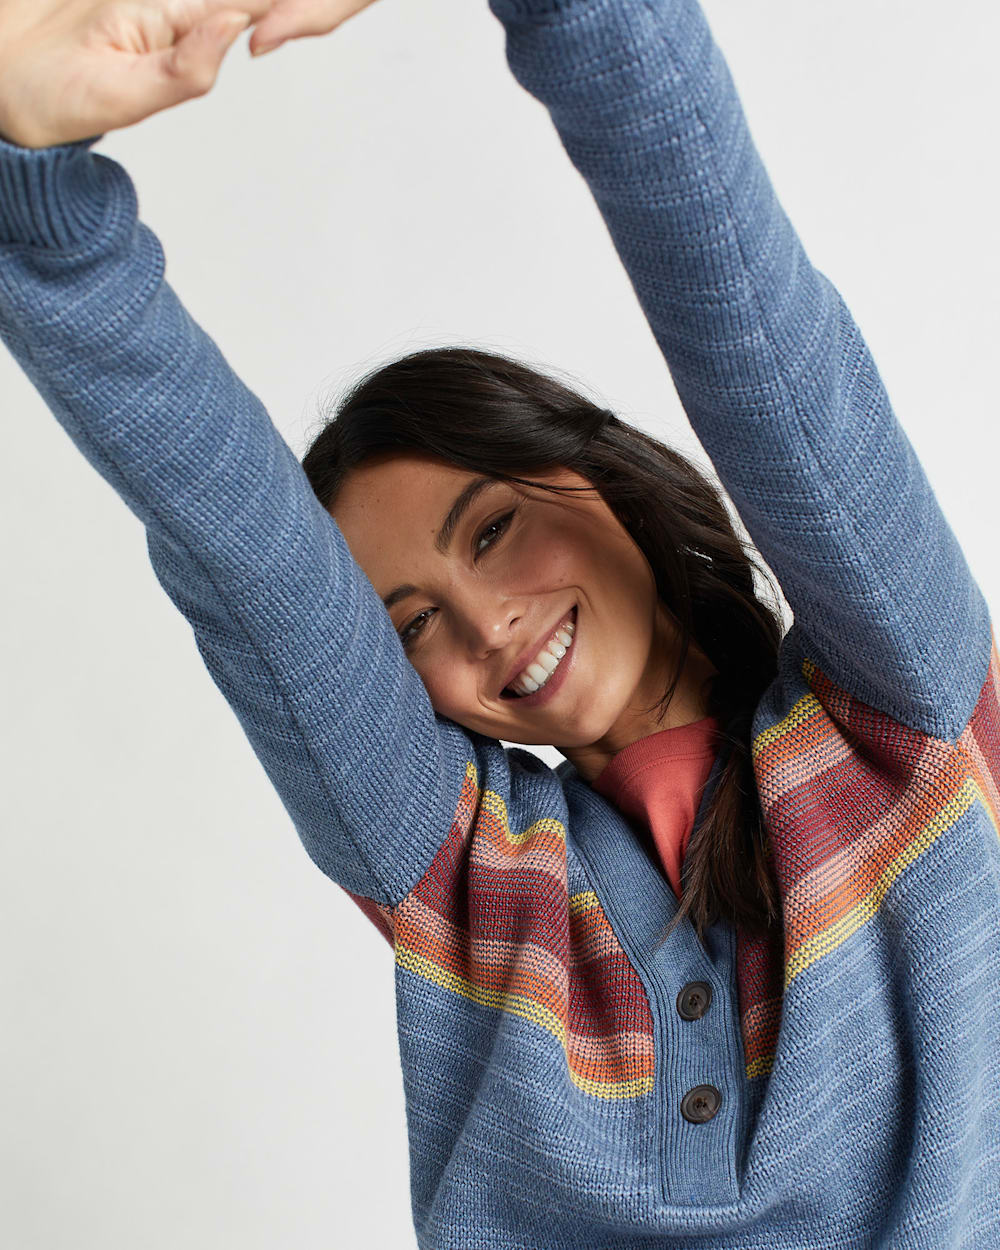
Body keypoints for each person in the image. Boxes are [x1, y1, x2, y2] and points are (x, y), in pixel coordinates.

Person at [1, 0, 997, 1246]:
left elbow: (741, 301)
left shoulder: (895, 714)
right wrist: (28, 174)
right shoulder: (472, 877)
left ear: (589, 480)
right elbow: (230, 543)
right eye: (409, 626)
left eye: (491, 531)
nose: (483, 625)